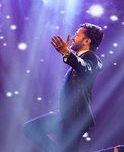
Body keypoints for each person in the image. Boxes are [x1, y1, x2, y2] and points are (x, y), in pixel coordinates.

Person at [23, 23, 104, 152]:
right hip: (65, 115)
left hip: (75, 118)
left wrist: (66, 52)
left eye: (77, 35)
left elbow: (85, 67)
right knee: (30, 129)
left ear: (87, 41)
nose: (73, 38)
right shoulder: (80, 59)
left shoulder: (92, 59)